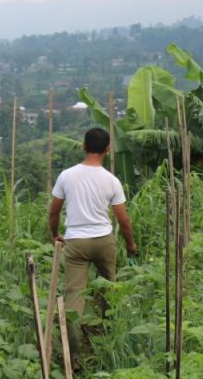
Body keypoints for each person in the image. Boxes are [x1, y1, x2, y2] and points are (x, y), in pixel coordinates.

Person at [48, 127, 138, 354]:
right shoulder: (111, 180)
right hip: (103, 241)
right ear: (108, 149)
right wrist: (130, 244)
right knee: (110, 288)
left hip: (76, 242)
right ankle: (107, 337)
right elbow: (123, 220)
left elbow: (54, 212)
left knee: (73, 296)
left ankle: (74, 354)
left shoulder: (66, 176)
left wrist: (55, 234)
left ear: (84, 147)